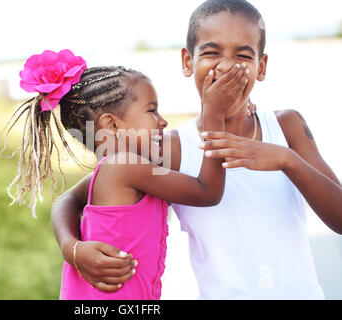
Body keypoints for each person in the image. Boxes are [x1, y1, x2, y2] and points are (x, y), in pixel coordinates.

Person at [51, 0, 342, 299]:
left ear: (261, 66)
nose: (227, 65)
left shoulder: (287, 127)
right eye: (212, 53)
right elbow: (70, 198)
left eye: (243, 55)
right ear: (188, 62)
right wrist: (71, 248)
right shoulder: (169, 148)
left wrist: (286, 159)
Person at [0, 48, 251, 299]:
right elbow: (207, 192)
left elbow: (65, 200)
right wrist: (214, 115)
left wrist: (71, 248)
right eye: (151, 110)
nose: (162, 121)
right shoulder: (125, 166)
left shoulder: (114, 169)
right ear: (112, 125)